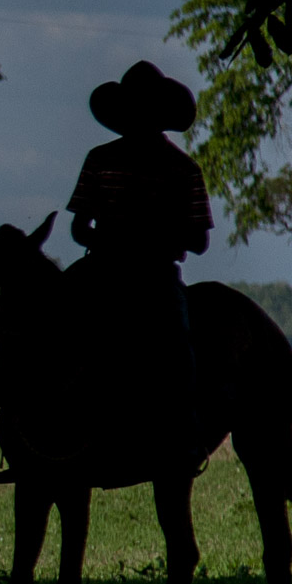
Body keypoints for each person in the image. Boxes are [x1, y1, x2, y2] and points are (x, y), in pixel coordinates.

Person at [62, 60, 214, 486]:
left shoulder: (176, 168)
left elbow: (79, 228)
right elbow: (199, 241)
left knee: (178, 344)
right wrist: (130, 239)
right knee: (51, 326)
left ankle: (183, 435)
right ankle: (39, 431)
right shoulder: (167, 166)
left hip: (138, 274)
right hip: (125, 271)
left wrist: (128, 237)